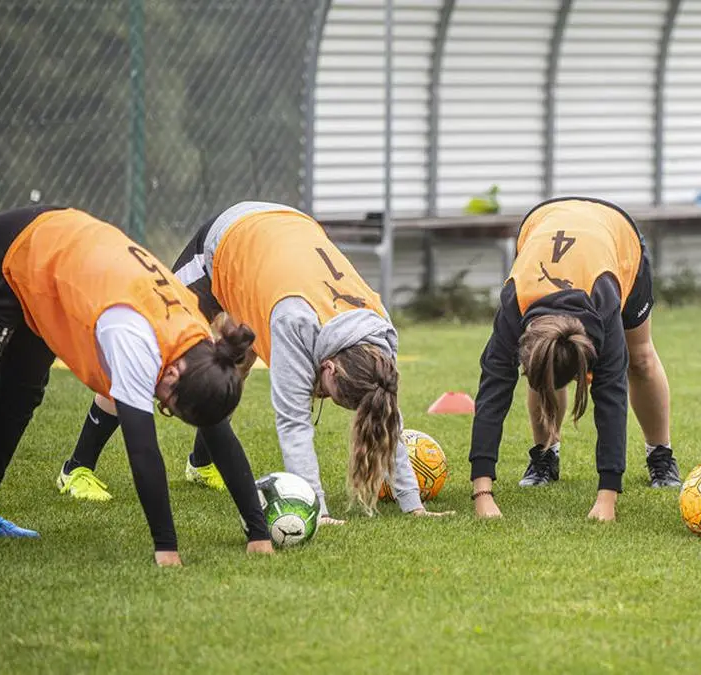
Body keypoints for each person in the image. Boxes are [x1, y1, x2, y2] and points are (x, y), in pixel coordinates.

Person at [0, 205, 272, 565]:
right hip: (8, 254)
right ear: (172, 376)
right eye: (168, 407)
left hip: (53, 267)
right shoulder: (135, 337)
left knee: (19, 394)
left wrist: (258, 532)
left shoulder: (199, 351)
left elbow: (216, 426)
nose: (164, 409)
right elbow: (143, 450)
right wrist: (166, 548)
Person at [55, 201, 452, 522]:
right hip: (232, 239)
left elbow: (388, 417)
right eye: (328, 394)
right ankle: (77, 467)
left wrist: (412, 504)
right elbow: (294, 423)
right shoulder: (296, 321)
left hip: (286, 237)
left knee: (237, 360)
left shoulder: (379, 334)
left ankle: (200, 463)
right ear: (328, 366)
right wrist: (317, 509)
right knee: (159, 356)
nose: (322, 398)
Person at [469, 197, 681, 522]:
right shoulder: (515, 301)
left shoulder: (605, 297)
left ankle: (660, 455)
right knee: (544, 360)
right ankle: (545, 455)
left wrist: (607, 496)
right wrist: (482, 493)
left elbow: (611, 396)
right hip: (543, 222)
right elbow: (492, 390)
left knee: (639, 357)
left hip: (615, 235)